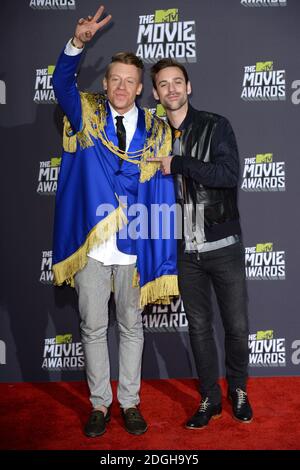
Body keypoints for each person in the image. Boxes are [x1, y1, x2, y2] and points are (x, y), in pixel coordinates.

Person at [52, 7, 178, 438]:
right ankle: (99, 406)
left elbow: (161, 187)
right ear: (105, 84)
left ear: (141, 89)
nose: (122, 87)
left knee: (130, 326)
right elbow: (60, 84)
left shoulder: (157, 130)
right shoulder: (85, 113)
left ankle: (129, 402)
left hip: (133, 244)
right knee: (91, 327)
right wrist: (77, 45)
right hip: (92, 244)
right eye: (115, 79)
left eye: (130, 81)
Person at [149, 59, 253, 429]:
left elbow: (228, 175)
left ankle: (238, 389)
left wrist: (178, 163)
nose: (172, 89)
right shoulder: (153, 134)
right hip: (184, 250)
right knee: (198, 328)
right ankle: (210, 396)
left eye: (178, 82)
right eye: (164, 84)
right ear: (156, 94)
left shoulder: (215, 125)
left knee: (237, 327)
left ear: (189, 87)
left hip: (222, 241)